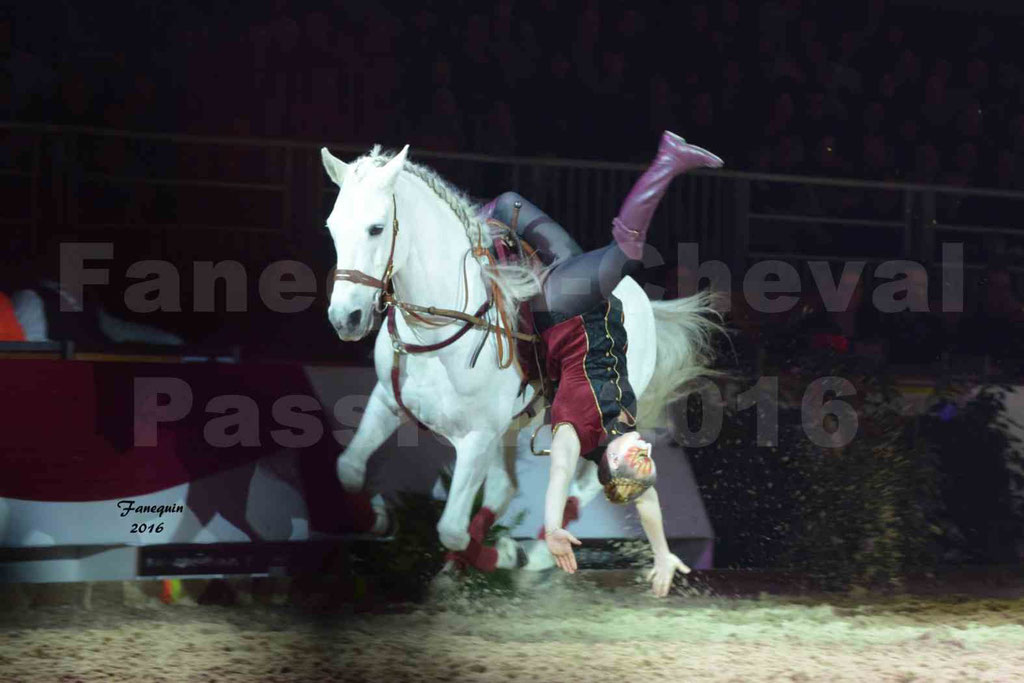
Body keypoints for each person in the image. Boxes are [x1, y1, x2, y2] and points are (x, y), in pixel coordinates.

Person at [479, 131, 722, 596]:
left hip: (568, 306)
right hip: (576, 291)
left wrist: (552, 528)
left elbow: (557, 478)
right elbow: (648, 500)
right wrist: (662, 551)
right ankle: (486, 216)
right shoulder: (624, 432)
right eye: (641, 456)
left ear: (612, 462)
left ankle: (668, 158)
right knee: (510, 206)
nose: (641, 450)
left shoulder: (577, 432)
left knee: (626, 250)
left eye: (632, 458)